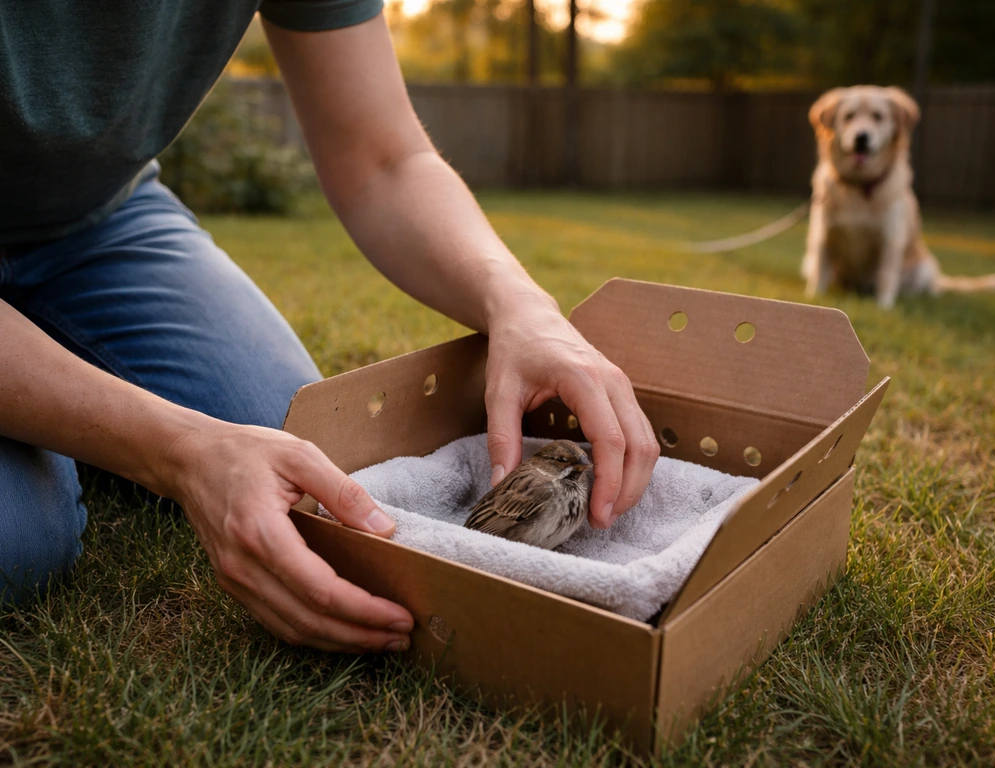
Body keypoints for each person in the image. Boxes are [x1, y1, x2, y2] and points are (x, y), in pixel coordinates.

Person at [0, 0, 659, 653]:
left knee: (300, 444)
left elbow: (383, 157)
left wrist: (520, 306)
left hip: (99, 216)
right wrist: (181, 449)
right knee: (21, 543)